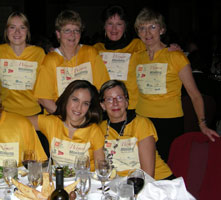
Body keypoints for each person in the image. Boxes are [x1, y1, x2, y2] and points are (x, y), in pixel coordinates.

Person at [132, 8, 219, 162]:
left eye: (152, 27)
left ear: (162, 30)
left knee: (167, 168)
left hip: (169, 122)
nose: (147, 33)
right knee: (143, 166)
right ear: (138, 32)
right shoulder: (137, 57)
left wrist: (202, 124)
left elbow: (195, 94)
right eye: (142, 28)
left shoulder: (176, 57)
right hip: (142, 120)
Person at [0, 12, 49, 156]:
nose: (17, 32)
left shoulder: (38, 53)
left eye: (22, 27)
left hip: (33, 115)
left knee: (37, 160)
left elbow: (46, 84)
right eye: (12, 27)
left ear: (27, 31)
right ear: (6, 31)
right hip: (6, 115)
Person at [34, 10, 110, 114]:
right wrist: (66, 118)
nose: (72, 35)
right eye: (67, 30)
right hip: (59, 118)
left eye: (76, 30)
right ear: (58, 34)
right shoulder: (50, 59)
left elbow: (103, 87)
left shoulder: (90, 53)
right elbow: (43, 98)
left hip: (87, 116)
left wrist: (90, 114)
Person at [99, 80, 173, 180]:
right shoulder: (100, 129)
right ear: (103, 105)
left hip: (156, 182)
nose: (115, 103)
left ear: (126, 102)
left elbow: (147, 174)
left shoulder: (142, 124)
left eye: (119, 98)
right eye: (109, 99)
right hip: (119, 184)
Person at [28, 80, 105, 171]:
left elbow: (101, 168)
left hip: (85, 182)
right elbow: (18, 122)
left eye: (85, 103)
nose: (78, 107)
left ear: (89, 107)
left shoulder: (94, 131)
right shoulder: (52, 122)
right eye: (75, 100)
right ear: (66, 99)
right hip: (58, 181)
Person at [93, 5, 145, 109]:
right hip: (104, 107)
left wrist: (171, 48)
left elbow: (157, 52)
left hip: (131, 106)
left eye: (119, 24)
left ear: (125, 26)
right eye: (110, 24)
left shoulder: (138, 45)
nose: (114, 29)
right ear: (104, 26)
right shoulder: (96, 49)